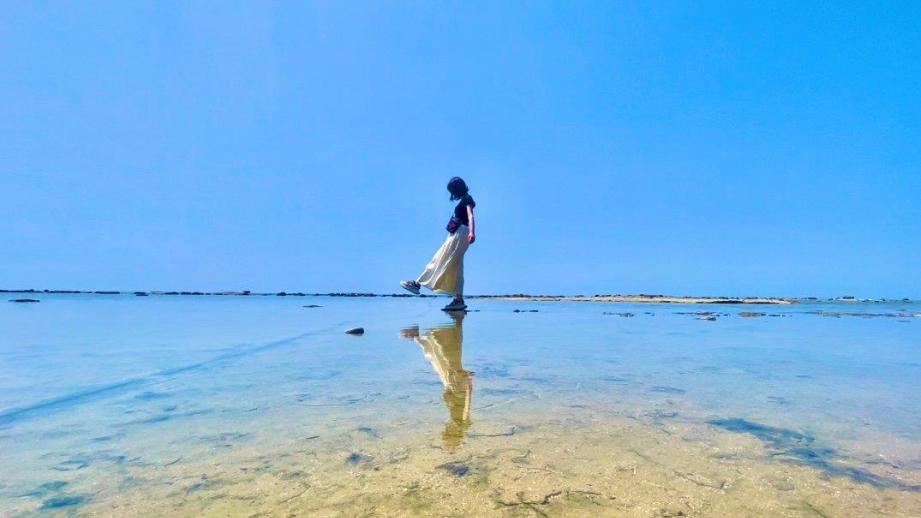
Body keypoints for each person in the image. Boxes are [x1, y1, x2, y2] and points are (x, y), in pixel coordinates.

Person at [400, 312, 472, 451]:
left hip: (452, 385)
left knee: (438, 359)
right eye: (446, 432)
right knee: (440, 358)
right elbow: (467, 403)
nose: (445, 428)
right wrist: (467, 382)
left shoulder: (459, 422)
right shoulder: (463, 423)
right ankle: (438, 332)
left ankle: (425, 335)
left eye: (445, 432)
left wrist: (466, 382)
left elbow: (467, 401)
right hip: (455, 385)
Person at [401, 177, 476, 311]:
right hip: (458, 233)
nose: (452, 194)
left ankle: (417, 284)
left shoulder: (467, 199)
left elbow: (470, 215)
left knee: (440, 259)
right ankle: (458, 300)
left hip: (461, 233)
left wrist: (472, 232)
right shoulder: (464, 199)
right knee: (456, 265)